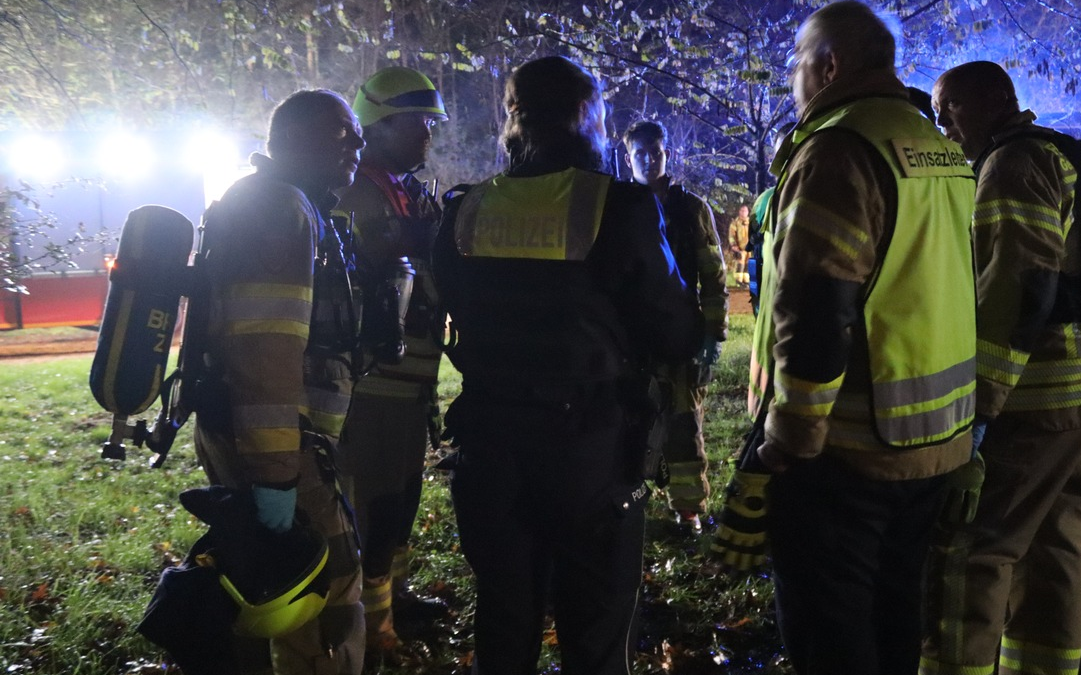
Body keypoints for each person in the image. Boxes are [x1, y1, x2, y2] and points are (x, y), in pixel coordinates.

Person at [431, 55, 702, 674]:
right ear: (586, 116)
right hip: (590, 449)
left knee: (503, 619)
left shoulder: (466, 210)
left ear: (512, 118)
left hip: (489, 441)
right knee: (598, 628)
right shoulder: (620, 206)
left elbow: (452, 307)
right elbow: (674, 329)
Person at [753, 3, 977, 673]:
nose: (793, 81)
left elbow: (820, 305)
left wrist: (791, 435)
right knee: (896, 607)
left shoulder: (838, 149)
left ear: (829, 66)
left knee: (832, 629)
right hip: (936, 439)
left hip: (847, 451)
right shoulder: (931, 141)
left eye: (797, 65)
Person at [920, 61, 1081, 675]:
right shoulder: (1063, 153)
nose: (942, 125)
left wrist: (980, 403)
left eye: (948, 108)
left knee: (972, 551)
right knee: (1057, 547)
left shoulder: (1011, 165)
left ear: (986, 101)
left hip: (1035, 398)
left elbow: (1020, 287)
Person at [191, 89, 366, 674]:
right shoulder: (278, 209)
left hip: (263, 434)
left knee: (259, 581)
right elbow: (265, 350)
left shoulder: (275, 203)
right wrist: (277, 478)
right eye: (344, 133)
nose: (359, 143)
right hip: (282, 443)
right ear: (296, 140)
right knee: (322, 595)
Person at [335, 66, 449, 661]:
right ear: (377, 125)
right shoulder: (358, 192)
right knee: (377, 505)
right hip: (375, 386)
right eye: (418, 122)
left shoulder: (400, 189)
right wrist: (417, 238)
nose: (429, 134)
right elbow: (368, 267)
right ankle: (374, 631)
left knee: (401, 498)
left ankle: (393, 601)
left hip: (410, 385)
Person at [622, 120, 728, 533]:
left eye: (656, 151)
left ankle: (688, 510)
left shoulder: (690, 208)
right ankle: (629, 503)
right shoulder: (616, 206)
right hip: (631, 340)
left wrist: (712, 337)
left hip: (681, 336)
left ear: (667, 153)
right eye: (640, 153)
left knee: (684, 427)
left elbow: (713, 276)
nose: (649, 159)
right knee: (631, 421)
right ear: (627, 157)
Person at [727, 204, 751, 287]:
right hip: (740, 248)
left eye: (745, 211)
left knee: (748, 264)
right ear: (739, 211)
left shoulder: (751, 222)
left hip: (749, 248)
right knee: (740, 264)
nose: (744, 212)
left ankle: (746, 281)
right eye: (742, 210)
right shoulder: (735, 223)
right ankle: (739, 281)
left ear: (748, 212)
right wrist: (734, 246)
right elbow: (731, 235)